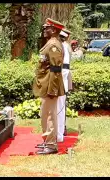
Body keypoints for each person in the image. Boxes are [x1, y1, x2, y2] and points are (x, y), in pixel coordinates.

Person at [33, 18, 65, 155]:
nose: (44, 30)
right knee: (45, 114)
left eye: (47, 28)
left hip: (50, 86)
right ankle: (47, 140)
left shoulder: (54, 45)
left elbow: (55, 70)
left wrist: (52, 89)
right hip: (45, 84)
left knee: (50, 115)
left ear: (54, 30)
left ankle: (51, 145)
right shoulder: (50, 43)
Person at [57, 29, 73, 142]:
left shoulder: (62, 47)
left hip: (61, 77)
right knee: (62, 105)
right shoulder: (66, 46)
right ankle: (62, 128)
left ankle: (61, 130)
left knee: (60, 106)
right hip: (64, 77)